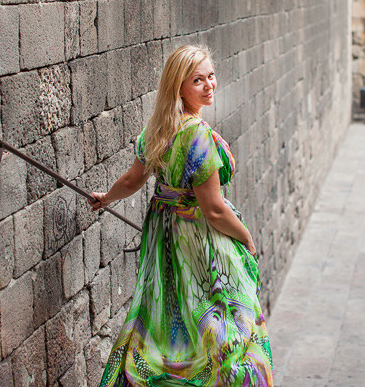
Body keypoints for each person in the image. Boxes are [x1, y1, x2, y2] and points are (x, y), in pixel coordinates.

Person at [90, 45, 273, 386]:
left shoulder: (158, 128)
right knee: (229, 322)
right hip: (198, 240)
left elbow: (133, 179)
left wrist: (106, 197)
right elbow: (214, 209)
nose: (209, 86)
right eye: (198, 80)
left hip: (164, 236)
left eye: (211, 76)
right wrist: (245, 237)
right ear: (178, 86)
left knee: (165, 319)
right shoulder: (197, 135)